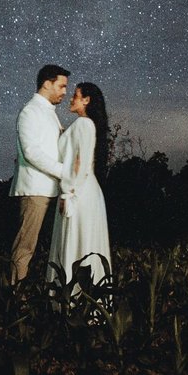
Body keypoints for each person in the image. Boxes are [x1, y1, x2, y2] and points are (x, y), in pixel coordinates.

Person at [48, 81, 112, 295]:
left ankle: (74, 301)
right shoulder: (84, 125)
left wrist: (68, 192)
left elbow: (80, 163)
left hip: (79, 192)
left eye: (75, 95)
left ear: (86, 100)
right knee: (82, 242)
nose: (71, 98)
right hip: (84, 191)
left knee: (77, 242)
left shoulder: (84, 124)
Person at [10, 64, 68, 283]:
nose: (64, 92)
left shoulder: (49, 113)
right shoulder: (30, 111)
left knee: (48, 249)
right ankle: (15, 298)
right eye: (61, 86)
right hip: (35, 190)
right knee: (25, 247)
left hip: (52, 189)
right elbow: (31, 152)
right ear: (47, 84)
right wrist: (64, 172)